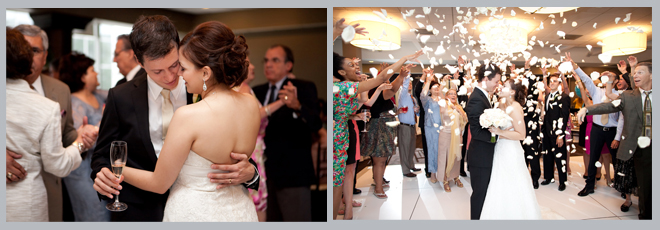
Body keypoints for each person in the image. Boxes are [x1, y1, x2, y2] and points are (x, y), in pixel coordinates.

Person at [91, 16, 260, 222]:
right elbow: (102, 155)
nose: (171, 76)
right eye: (157, 71)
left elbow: (229, 154)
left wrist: (252, 173)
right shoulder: (120, 97)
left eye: (175, 66)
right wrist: (103, 173)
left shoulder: (197, 89)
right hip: (140, 210)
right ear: (139, 62)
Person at [10, 24, 97, 222]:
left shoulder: (60, 89)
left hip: (51, 186)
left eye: (34, 50)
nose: (28, 57)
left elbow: (66, 134)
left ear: (45, 54)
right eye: (23, 49)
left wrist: (81, 136)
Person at [252, 44, 321, 221]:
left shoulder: (303, 87)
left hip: (293, 173)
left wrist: (297, 106)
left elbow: (316, 123)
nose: (268, 65)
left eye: (275, 60)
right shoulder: (256, 91)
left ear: (288, 65)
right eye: (266, 60)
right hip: (263, 175)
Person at [576, 61, 652, 220]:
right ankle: (645, 216)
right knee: (644, 185)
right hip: (638, 148)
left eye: (640, 72)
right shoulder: (628, 96)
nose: (635, 75)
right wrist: (587, 109)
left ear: (652, 75)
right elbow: (608, 106)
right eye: (634, 72)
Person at [57, 52, 111, 221]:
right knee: (94, 214)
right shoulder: (73, 103)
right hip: (82, 171)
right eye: (92, 70)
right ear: (82, 77)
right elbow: (76, 139)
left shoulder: (101, 95)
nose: (96, 74)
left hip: (102, 167)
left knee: (107, 213)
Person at [480, 79, 541, 219]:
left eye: (505, 86)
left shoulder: (515, 107)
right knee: (499, 183)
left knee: (513, 184)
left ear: (512, 92)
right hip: (500, 149)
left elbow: (521, 134)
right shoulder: (501, 104)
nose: (501, 87)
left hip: (511, 151)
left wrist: (499, 132)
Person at [563, 52, 621, 197]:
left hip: (612, 130)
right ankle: (589, 186)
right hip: (596, 129)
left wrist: (618, 137)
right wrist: (573, 65)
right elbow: (585, 78)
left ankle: (621, 187)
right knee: (592, 157)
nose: (607, 78)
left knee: (616, 159)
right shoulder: (597, 91)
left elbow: (621, 118)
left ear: (615, 81)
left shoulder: (620, 96)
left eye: (611, 77)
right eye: (606, 77)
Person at [237, 56, 286, 221]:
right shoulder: (243, 88)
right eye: (247, 63)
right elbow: (255, 115)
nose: (253, 66)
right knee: (257, 197)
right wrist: (282, 101)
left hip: (255, 147)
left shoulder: (246, 88)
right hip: (252, 148)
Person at [465, 63, 501, 220]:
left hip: (485, 155)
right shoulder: (476, 99)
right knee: (479, 196)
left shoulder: (484, 96)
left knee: (485, 194)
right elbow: (478, 132)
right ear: (486, 79)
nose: (497, 85)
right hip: (480, 158)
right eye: (496, 81)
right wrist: (498, 136)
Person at [540, 73, 570, 191]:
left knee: (560, 157)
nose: (552, 83)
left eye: (555, 81)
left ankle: (562, 181)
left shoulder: (564, 97)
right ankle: (548, 177)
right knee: (547, 156)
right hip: (546, 132)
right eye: (550, 81)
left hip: (557, 133)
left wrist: (560, 135)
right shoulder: (547, 97)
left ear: (560, 84)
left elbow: (564, 117)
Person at [437, 80, 467, 192]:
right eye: (450, 94)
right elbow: (440, 92)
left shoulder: (459, 107)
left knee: (456, 158)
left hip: (457, 136)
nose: (453, 95)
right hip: (446, 135)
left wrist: (458, 110)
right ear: (446, 96)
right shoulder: (443, 104)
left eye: (455, 94)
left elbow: (465, 119)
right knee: (445, 158)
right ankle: (445, 180)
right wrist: (444, 82)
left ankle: (455, 177)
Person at [396, 65, 420, 178]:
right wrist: (408, 73)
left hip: (412, 125)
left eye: (411, 83)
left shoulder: (412, 98)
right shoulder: (403, 95)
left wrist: (417, 110)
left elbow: (416, 113)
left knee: (411, 147)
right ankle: (405, 170)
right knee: (404, 148)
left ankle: (411, 164)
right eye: (407, 83)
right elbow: (405, 85)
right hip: (404, 126)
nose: (409, 84)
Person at [419, 69, 442, 184]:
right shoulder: (427, 100)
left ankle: (442, 173)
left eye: (439, 87)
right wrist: (428, 81)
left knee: (441, 150)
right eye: (435, 87)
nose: (437, 89)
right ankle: (433, 173)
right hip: (431, 127)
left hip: (442, 128)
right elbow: (422, 94)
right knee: (432, 149)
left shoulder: (443, 100)